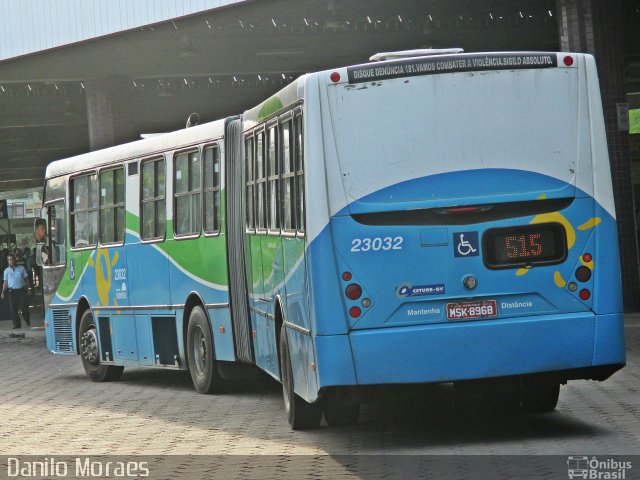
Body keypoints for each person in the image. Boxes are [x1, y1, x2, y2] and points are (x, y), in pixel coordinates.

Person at [1, 253, 32, 329]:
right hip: (11, 292)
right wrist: (2, 292)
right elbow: (5, 282)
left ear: (15, 260)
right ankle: (16, 325)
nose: (11, 261)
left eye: (12, 259)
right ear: (8, 261)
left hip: (21, 291)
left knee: (24, 307)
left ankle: (26, 319)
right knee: (13, 309)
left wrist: (29, 289)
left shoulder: (21, 268)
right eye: (9, 260)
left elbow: (26, 279)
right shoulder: (6, 271)